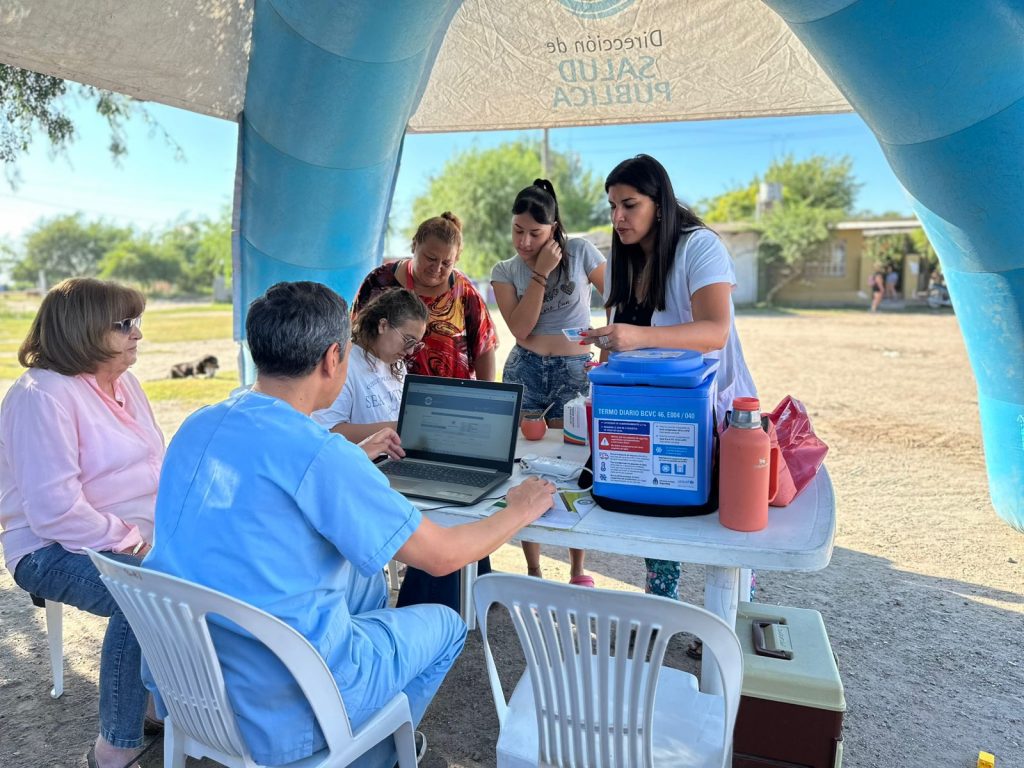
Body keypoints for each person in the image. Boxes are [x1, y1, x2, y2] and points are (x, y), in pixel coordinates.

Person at [143, 281, 554, 768]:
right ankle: (378, 751)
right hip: (287, 703)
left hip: (191, 680)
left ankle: (368, 728)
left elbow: (272, 488)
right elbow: (442, 556)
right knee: (446, 624)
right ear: (332, 358)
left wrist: (355, 460)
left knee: (365, 584)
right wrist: (521, 509)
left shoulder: (198, 424)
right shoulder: (320, 454)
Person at [0, 278, 165, 768]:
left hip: (125, 538)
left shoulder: (124, 382)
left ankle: (154, 702)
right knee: (144, 592)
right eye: (124, 324)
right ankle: (115, 745)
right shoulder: (41, 394)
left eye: (137, 322)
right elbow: (54, 511)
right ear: (83, 330)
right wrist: (133, 542)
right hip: (47, 549)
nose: (137, 334)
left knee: (207, 572)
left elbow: (153, 466)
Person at [581, 154, 758, 605]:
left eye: (630, 204)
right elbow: (618, 336)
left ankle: (732, 611)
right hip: (646, 409)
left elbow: (714, 330)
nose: (618, 217)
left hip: (709, 407)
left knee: (725, 524)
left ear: (659, 204)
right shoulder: (622, 259)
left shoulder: (699, 247)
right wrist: (604, 361)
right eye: (612, 206)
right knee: (653, 509)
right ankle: (663, 605)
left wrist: (636, 337)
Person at [491, 179, 606, 587]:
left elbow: (619, 298)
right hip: (526, 369)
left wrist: (608, 350)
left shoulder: (580, 252)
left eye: (534, 233)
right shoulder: (504, 271)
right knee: (527, 465)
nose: (523, 241)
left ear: (554, 228)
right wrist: (539, 272)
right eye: (517, 230)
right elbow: (521, 329)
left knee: (574, 464)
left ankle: (577, 568)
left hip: (575, 371)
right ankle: (534, 570)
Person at [353, 211, 498, 380]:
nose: (436, 268)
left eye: (446, 263)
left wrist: (485, 399)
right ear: (414, 246)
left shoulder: (464, 291)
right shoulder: (379, 281)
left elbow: (484, 348)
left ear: (456, 259)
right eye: (430, 258)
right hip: (382, 391)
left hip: (447, 396)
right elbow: (356, 334)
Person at [312, 287, 427, 442]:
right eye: (408, 340)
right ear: (383, 325)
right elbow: (329, 431)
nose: (411, 351)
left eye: (416, 344)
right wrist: (396, 428)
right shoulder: (345, 363)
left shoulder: (397, 364)